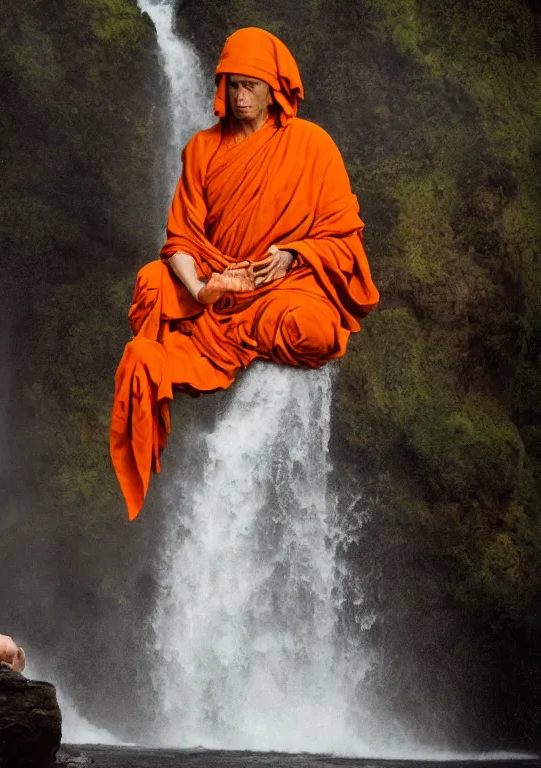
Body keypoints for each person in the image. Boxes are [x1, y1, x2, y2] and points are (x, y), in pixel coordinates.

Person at [110, 27, 379, 521]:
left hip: (282, 286)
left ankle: (241, 337)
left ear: (274, 88)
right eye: (232, 84)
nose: (239, 97)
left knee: (313, 331)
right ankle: (208, 337)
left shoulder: (313, 146)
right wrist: (201, 289)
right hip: (216, 285)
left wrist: (293, 255)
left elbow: (344, 237)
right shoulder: (201, 150)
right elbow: (181, 240)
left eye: (250, 85)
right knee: (152, 281)